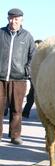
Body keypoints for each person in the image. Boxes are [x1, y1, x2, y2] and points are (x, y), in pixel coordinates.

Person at [0, 8, 35, 144]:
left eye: (16, 19)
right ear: (7, 19)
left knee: (17, 109)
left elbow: (33, 56)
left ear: (21, 20)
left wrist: (26, 71)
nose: (12, 21)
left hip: (19, 79)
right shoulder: (1, 33)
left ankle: (15, 135)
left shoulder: (27, 37)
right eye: (10, 18)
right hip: (1, 78)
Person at [22, 39, 43, 118]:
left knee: (38, 96)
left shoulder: (43, 55)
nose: (37, 47)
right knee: (32, 94)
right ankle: (25, 112)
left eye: (39, 46)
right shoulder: (30, 53)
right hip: (33, 76)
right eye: (36, 45)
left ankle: (41, 114)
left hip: (41, 78)